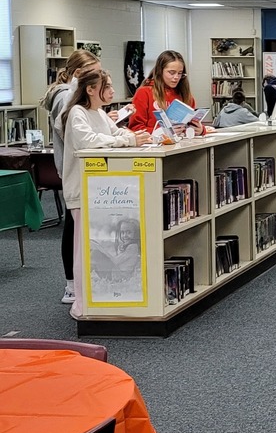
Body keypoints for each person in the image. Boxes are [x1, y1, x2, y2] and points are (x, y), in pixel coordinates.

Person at [61, 68, 150, 318]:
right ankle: (82, 302)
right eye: (107, 86)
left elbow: (115, 132)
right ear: (90, 90)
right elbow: (88, 141)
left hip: (97, 190)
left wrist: (135, 136)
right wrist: (128, 141)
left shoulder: (98, 112)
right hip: (82, 190)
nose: (112, 91)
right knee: (83, 248)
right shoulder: (78, 113)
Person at [41, 48, 100, 304]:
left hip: (75, 166)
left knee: (75, 223)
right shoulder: (65, 97)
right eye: (94, 74)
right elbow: (73, 133)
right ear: (79, 74)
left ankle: (78, 282)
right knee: (72, 224)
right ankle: (71, 285)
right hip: (72, 168)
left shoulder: (71, 95)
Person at [130, 50, 208, 135]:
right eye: (171, 73)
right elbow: (135, 129)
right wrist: (163, 132)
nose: (176, 77)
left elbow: (188, 127)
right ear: (160, 71)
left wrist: (200, 130)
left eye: (180, 73)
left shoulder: (185, 95)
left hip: (182, 145)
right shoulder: (144, 92)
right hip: (155, 145)